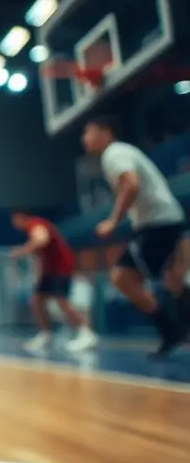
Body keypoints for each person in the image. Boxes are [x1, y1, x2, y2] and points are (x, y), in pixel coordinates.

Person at [82, 115, 190, 358]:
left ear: (105, 132)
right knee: (175, 281)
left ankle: (171, 330)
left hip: (157, 224)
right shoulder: (122, 152)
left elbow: (132, 184)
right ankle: (174, 330)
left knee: (122, 277)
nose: (84, 139)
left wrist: (113, 221)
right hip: (167, 220)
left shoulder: (114, 154)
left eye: (88, 132)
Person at [9, 211, 98, 353]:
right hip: (50, 270)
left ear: (20, 217)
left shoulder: (36, 224)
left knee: (62, 301)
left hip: (60, 268)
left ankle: (87, 334)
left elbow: (42, 240)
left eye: (14, 220)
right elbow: (41, 255)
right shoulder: (33, 228)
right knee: (37, 300)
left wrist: (21, 251)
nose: (14, 224)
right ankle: (46, 335)